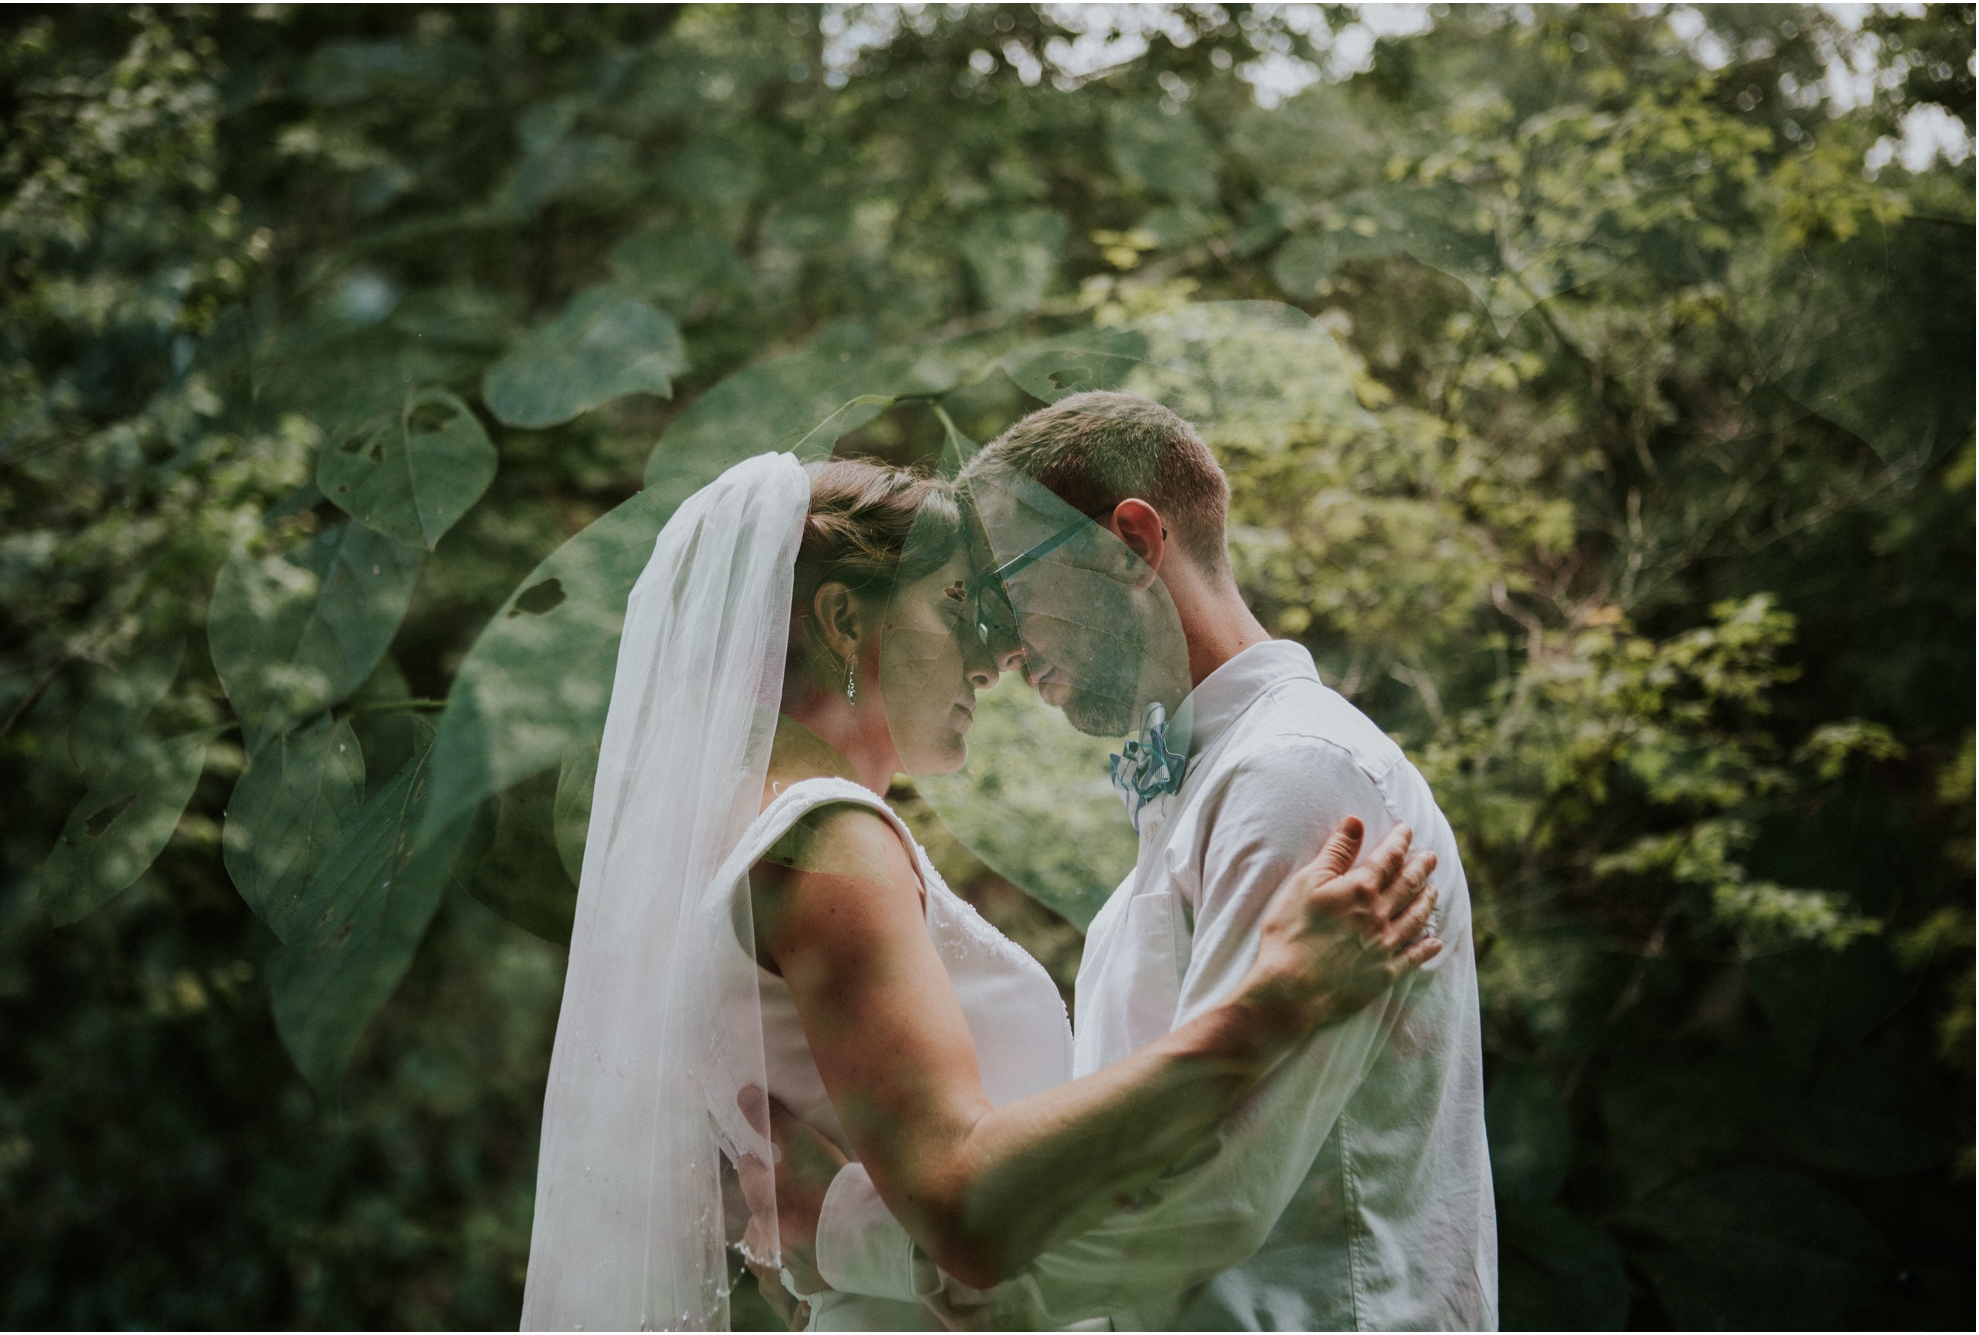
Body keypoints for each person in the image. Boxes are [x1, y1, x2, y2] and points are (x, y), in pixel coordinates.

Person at [518, 451, 1443, 1332]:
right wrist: (1269, 1004)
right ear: (843, 619)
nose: (994, 657)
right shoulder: (828, 838)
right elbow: (964, 1200)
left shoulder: (736, 843)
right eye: (959, 604)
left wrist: (836, 1233)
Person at [784, 393, 1499, 1330]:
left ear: (1129, 545)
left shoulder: (1296, 776)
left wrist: (842, 1242)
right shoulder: (1204, 792)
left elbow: (1209, 1200)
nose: (996, 649)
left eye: (1007, 593)